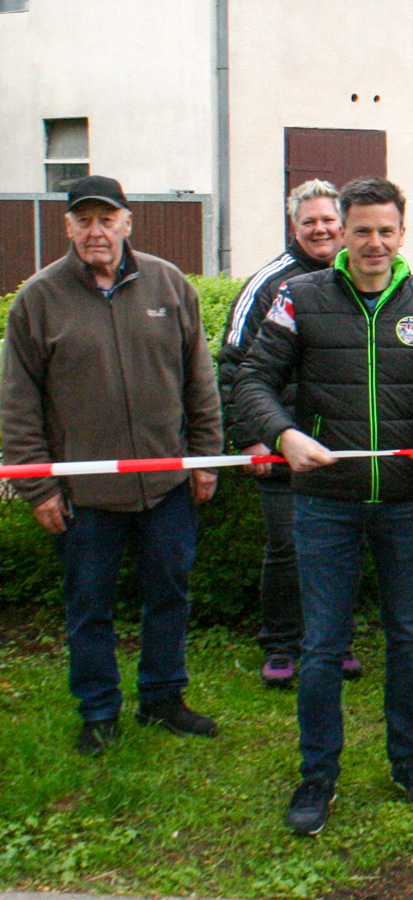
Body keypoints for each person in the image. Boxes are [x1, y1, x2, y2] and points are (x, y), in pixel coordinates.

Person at [233, 176, 413, 836]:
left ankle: (410, 762)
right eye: (361, 229)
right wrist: (284, 435)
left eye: (386, 231)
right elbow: (252, 379)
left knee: (405, 636)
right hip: (324, 502)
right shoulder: (300, 299)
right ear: (341, 231)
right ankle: (318, 776)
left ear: (402, 233)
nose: (374, 242)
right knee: (321, 645)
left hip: (405, 501)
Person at [1, 175, 224, 756]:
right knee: (88, 608)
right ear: (68, 226)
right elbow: (18, 400)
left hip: (168, 486)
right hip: (84, 495)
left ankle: (162, 699)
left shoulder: (169, 283)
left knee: (169, 596)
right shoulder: (38, 298)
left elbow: (199, 378)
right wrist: (38, 485)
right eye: (84, 220)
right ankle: (99, 710)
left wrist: (205, 458)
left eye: (107, 219)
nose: (96, 231)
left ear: (128, 222)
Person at [217, 178, 349, 688]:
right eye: (309, 221)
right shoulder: (269, 282)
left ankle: (333, 643)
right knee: (289, 548)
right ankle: (280, 646)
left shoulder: (354, 278)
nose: (320, 229)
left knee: (338, 548)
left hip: (340, 445)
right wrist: (250, 437)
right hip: (280, 441)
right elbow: (234, 366)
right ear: (294, 227)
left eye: (328, 220)